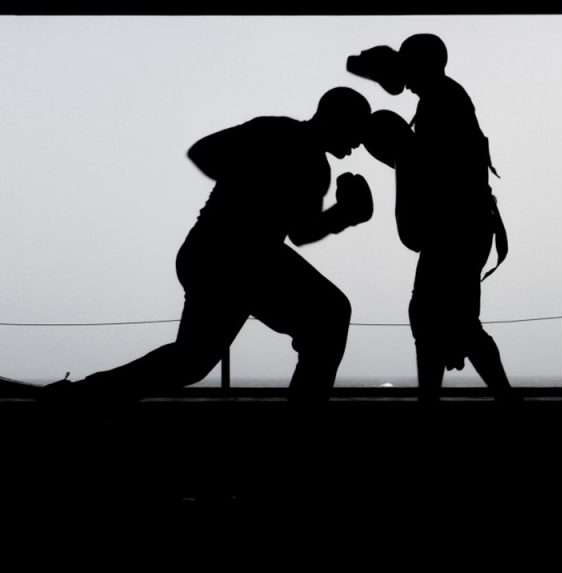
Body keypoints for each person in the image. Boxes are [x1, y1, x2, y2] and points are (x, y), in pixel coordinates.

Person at [44, 87, 374, 403]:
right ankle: (82, 396)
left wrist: (342, 216)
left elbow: (301, 232)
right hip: (228, 255)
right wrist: (250, 190)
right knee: (327, 316)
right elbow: (203, 152)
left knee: (193, 360)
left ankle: (82, 396)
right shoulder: (276, 133)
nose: (358, 142)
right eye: (356, 130)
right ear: (336, 118)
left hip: (241, 259)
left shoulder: (316, 167)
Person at [352, 34, 512, 401]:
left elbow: (432, 170)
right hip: (463, 228)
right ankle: (482, 397)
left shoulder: (442, 102)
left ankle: (456, 400)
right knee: (443, 318)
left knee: (437, 318)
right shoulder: (442, 99)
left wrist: (387, 141)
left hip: (455, 230)